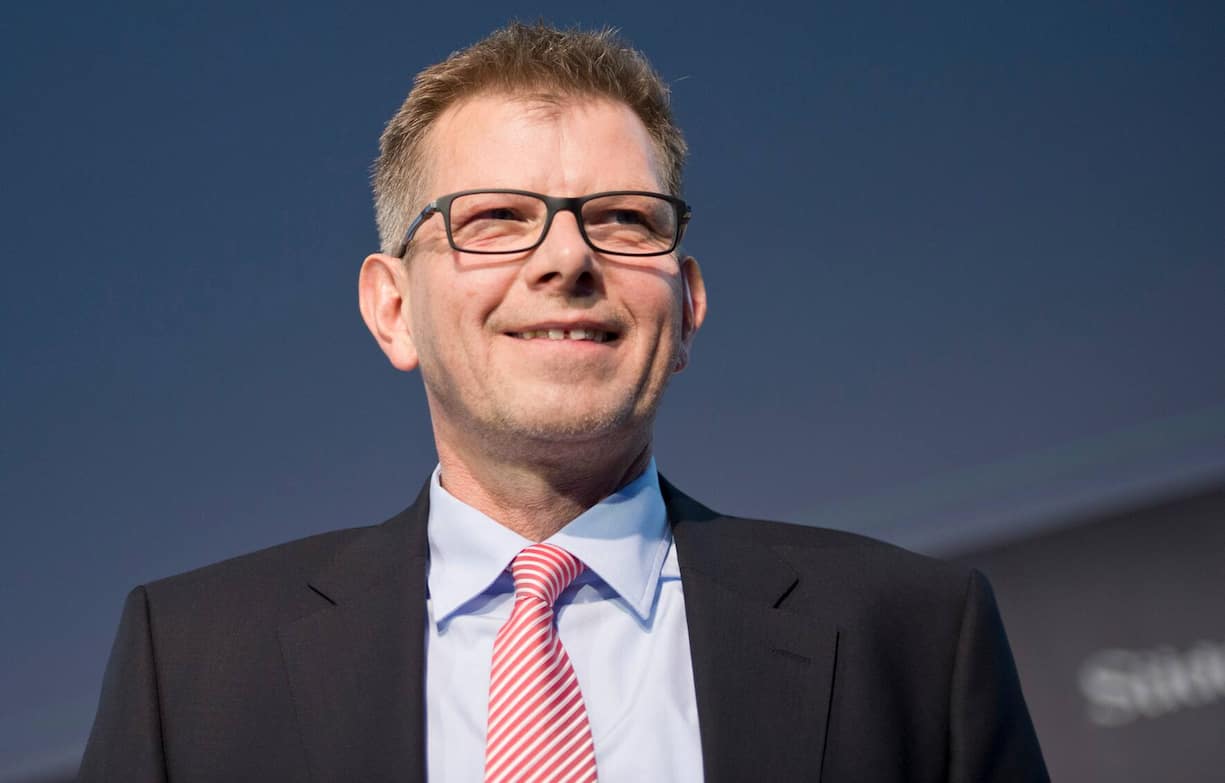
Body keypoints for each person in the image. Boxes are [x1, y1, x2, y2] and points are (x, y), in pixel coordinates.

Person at [79, 22, 1048, 783]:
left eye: (623, 219)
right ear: (393, 309)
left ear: (687, 305)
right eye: (497, 218)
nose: (566, 258)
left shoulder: (914, 634)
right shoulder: (193, 664)